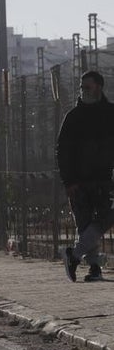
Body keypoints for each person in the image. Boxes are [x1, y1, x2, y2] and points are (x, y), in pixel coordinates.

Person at [57, 70, 114, 282]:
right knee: (86, 225)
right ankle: (94, 269)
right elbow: (62, 151)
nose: (84, 91)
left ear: (99, 87)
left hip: (104, 179)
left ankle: (74, 254)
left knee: (102, 220)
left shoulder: (110, 113)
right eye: (82, 88)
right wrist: (69, 181)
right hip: (79, 183)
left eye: (87, 87)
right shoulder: (73, 117)